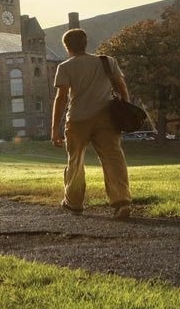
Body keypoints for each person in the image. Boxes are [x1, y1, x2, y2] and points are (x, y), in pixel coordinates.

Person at [51, 28, 132, 219]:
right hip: (106, 117)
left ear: (67, 46)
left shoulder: (65, 67)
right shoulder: (107, 61)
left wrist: (54, 128)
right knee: (113, 159)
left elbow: (61, 98)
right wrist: (125, 109)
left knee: (76, 161)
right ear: (86, 43)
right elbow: (121, 87)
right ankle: (121, 202)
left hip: (78, 119)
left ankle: (74, 203)